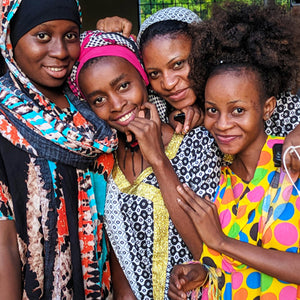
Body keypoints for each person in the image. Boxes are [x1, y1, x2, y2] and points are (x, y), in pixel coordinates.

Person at [68, 30, 220, 299]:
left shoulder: (198, 141)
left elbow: (210, 254)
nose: (116, 104)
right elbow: (120, 259)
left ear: (143, 78)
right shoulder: (103, 163)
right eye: (99, 99)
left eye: (123, 85)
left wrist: (159, 160)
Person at [168, 2, 300, 299]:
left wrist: (221, 241)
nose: (222, 124)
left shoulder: (293, 162)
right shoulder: (223, 184)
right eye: (212, 110)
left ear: (268, 108)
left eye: (238, 110)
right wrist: (199, 275)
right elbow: (226, 270)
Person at [0, 0, 118, 298]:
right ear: (10, 40)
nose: (61, 51)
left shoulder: (95, 109)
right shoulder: (4, 122)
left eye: (70, 35)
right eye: (42, 36)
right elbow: (3, 247)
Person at [98, 6, 300, 172]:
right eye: (154, 74)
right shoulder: (157, 107)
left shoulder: (252, 92)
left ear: (203, 52)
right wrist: (110, 34)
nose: (168, 83)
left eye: (178, 64)